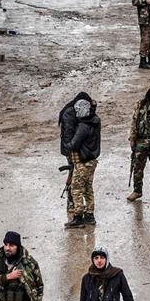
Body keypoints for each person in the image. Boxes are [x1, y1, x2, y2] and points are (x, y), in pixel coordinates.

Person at [64, 98, 100, 228]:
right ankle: (90, 215)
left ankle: (78, 217)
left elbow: (74, 144)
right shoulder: (95, 121)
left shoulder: (83, 126)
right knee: (88, 188)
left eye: (78, 110)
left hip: (83, 162)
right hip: (92, 161)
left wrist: (67, 144)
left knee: (77, 188)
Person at [59, 92, 94, 220]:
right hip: (72, 150)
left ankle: (76, 204)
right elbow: (68, 134)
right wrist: (72, 149)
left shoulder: (75, 110)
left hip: (76, 148)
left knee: (78, 178)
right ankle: (72, 203)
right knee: (74, 178)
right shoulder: (69, 113)